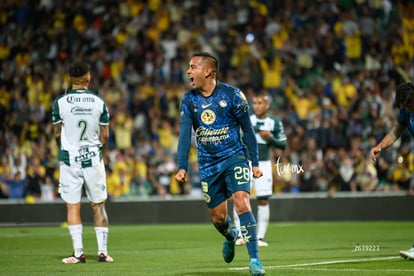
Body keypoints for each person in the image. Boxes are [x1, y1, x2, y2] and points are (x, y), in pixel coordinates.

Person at [175, 52, 266, 276]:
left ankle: (254, 259)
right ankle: (230, 235)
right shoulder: (189, 100)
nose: (188, 71)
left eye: (192, 67)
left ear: (207, 71)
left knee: (242, 202)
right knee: (218, 219)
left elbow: (248, 130)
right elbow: (185, 135)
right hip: (207, 165)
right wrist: (182, 166)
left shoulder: (233, 95)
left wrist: (254, 162)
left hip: (234, 157)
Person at [52, 61, 113, 264]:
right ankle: (103, 252)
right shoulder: (98, 102)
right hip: (93, 159)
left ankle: (78, 254)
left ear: (69, 78)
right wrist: (98, 151)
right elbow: (104, 136)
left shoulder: (60, 102)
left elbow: (57, 133)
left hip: (70, 160)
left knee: (73, 206)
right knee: (98, 205)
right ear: (89, 78)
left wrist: (65, 147)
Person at [233, 93, 287, 247]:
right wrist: (256, 130)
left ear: (267, 105)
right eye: (255, 103)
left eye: (260, 103)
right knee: (240, 198)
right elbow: (238, 136)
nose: (256, 106)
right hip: (244, 162)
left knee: (263, 200)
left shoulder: (274, 123)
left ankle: (259, 237)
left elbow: (282, 144)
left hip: (263, 164)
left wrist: (270, 138)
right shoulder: (247, 120)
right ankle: (240, 234)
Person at [369, 81, 414, 260]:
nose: (406, 109)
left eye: (409, 105)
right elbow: (396, 132)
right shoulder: (406, 112)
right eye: (404, 106)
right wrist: (380, 146)